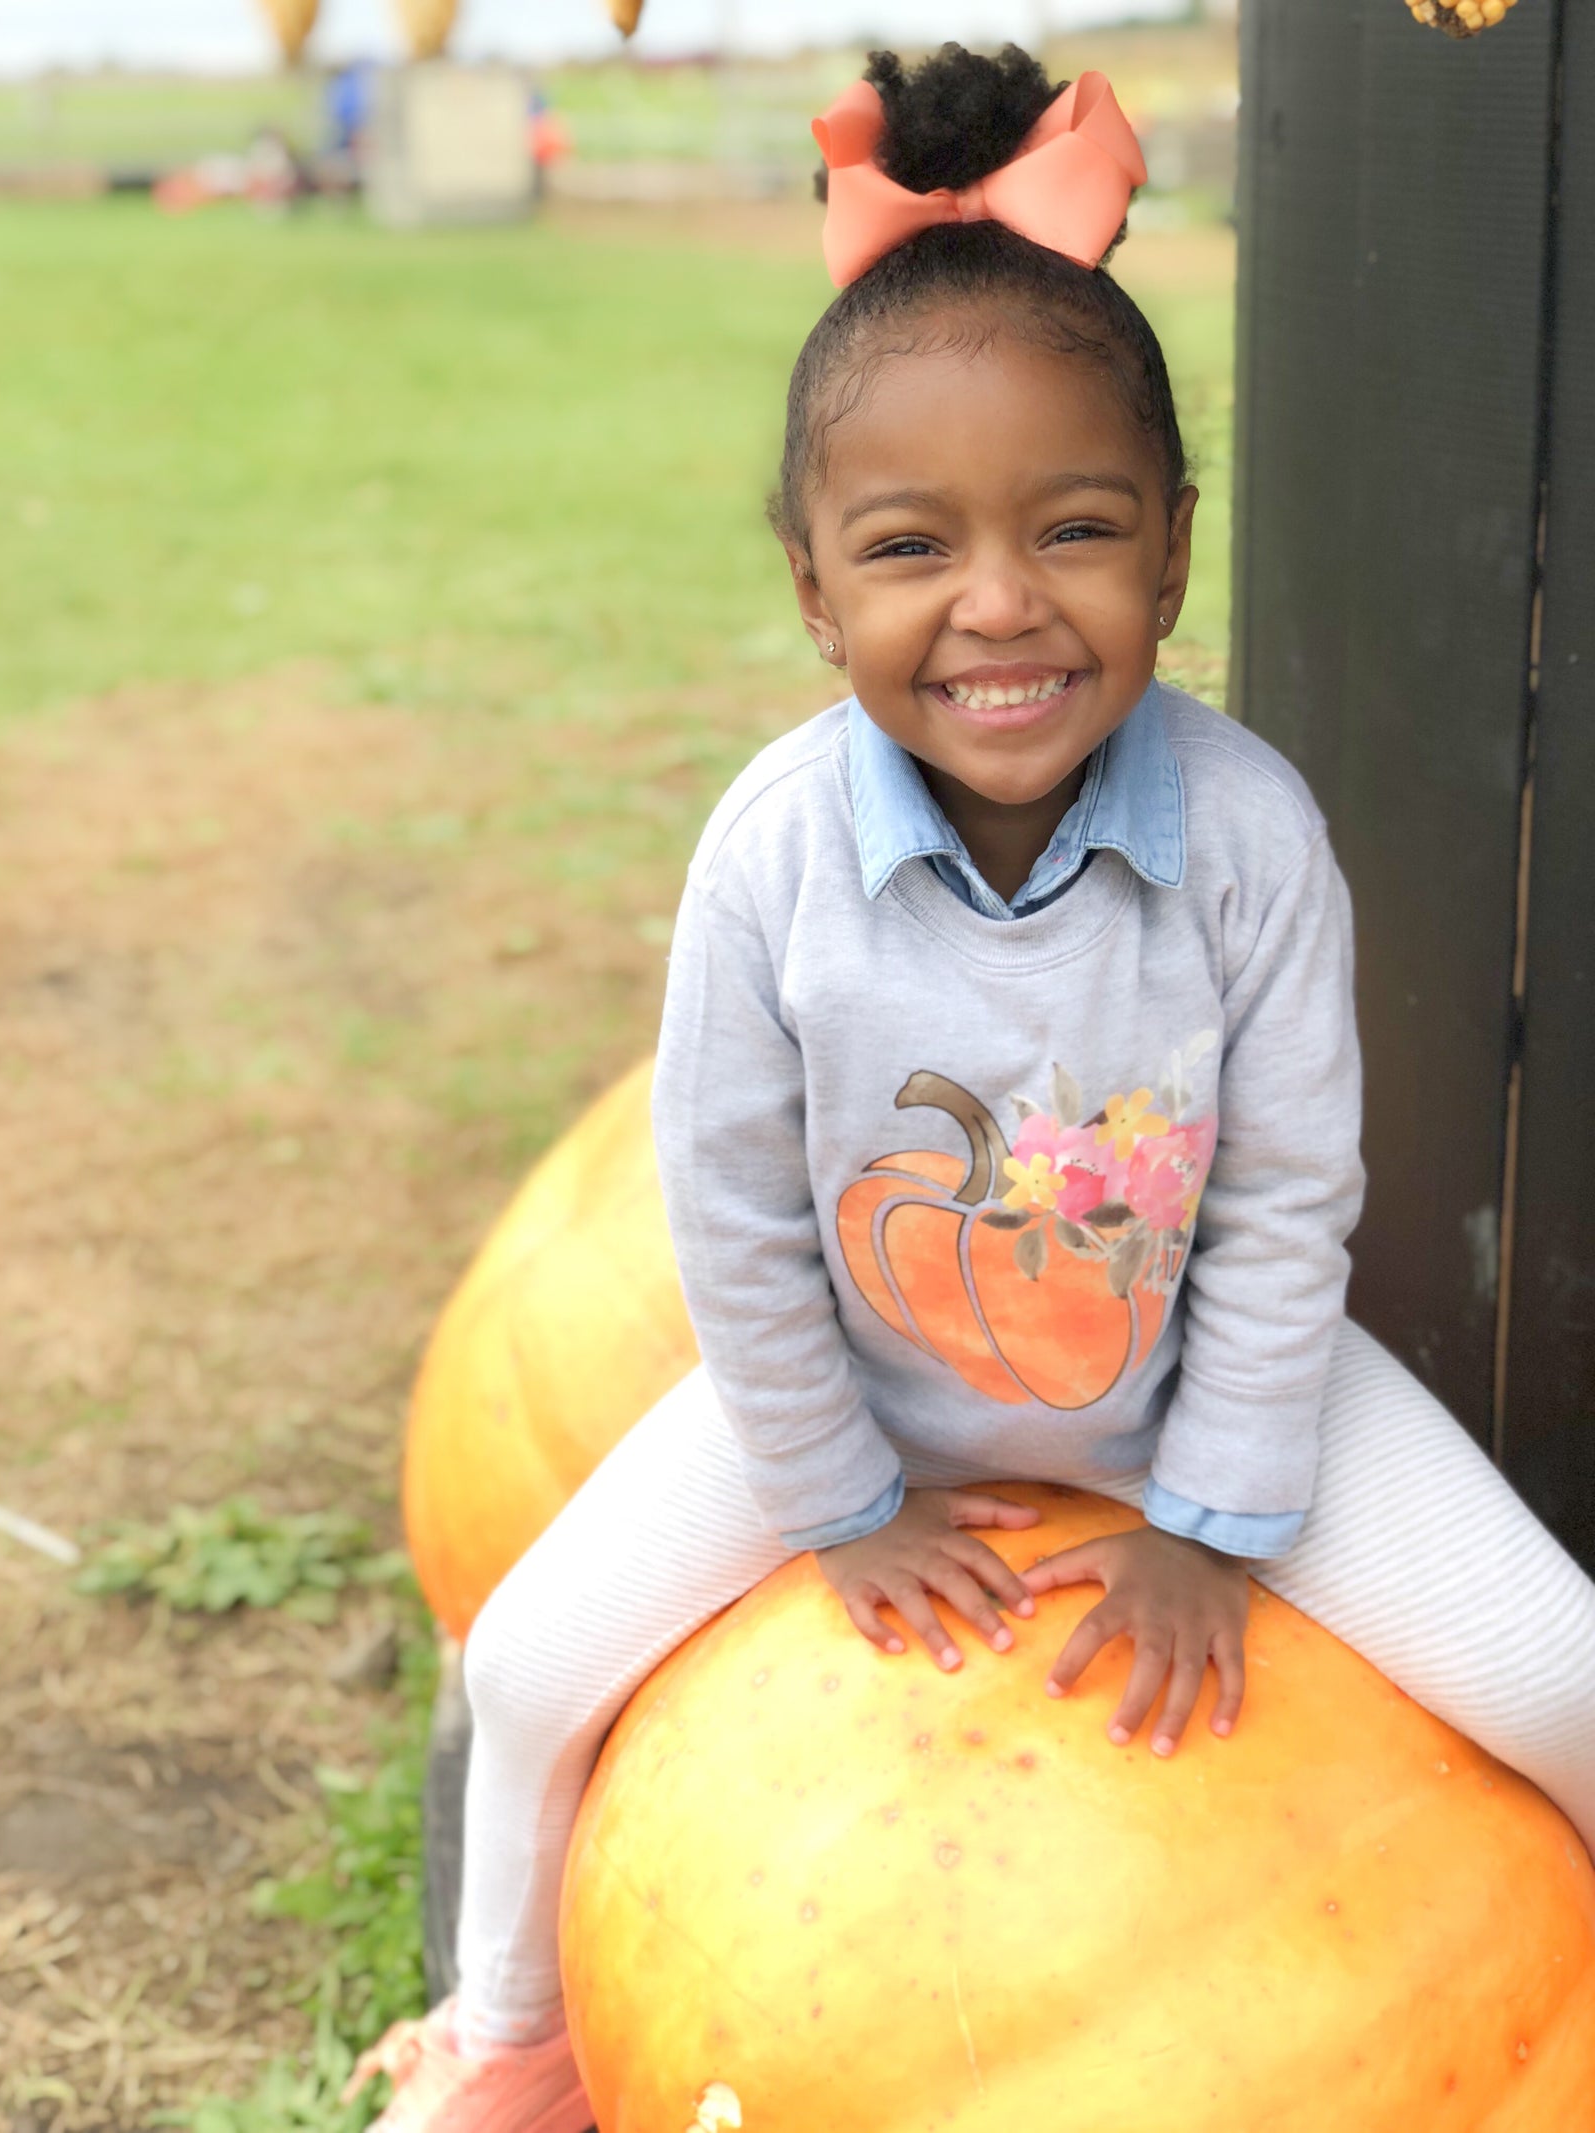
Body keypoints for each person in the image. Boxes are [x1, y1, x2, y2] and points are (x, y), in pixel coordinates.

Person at [345, 44, 1595, 2133]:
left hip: (1190, 1378)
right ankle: (512, 2040)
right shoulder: (766, 853)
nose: (998, 600)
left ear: (1172, 554)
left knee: (1561, 1673)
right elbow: (732, 1212)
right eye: (912, 544)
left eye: (1073, 527)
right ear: (812, 582)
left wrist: (1213, 1516)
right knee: (534, 1657)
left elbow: (1288, 1196)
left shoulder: (1247, 829)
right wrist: (834, 1497)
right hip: (865, 1377)